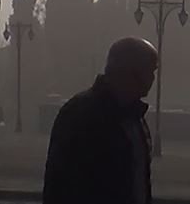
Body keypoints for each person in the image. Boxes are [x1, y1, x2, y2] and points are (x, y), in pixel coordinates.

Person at [43, 37, 158, 204]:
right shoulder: (82, 115)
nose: (153, 78)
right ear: (130, 71)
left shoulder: (134, 118)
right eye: (149, 70)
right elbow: (62, 183)